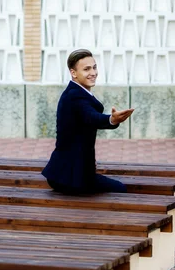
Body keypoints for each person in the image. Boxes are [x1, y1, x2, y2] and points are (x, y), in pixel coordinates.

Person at [42, 49, 134, 194]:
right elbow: (92, 117)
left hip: (63, 173)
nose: (93, 72)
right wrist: (111, 119)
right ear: (73, 73)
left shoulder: (75, 93)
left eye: (94, 67)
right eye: (86, 69)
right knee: (120, 189)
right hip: (73, 177)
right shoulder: (75, 96)